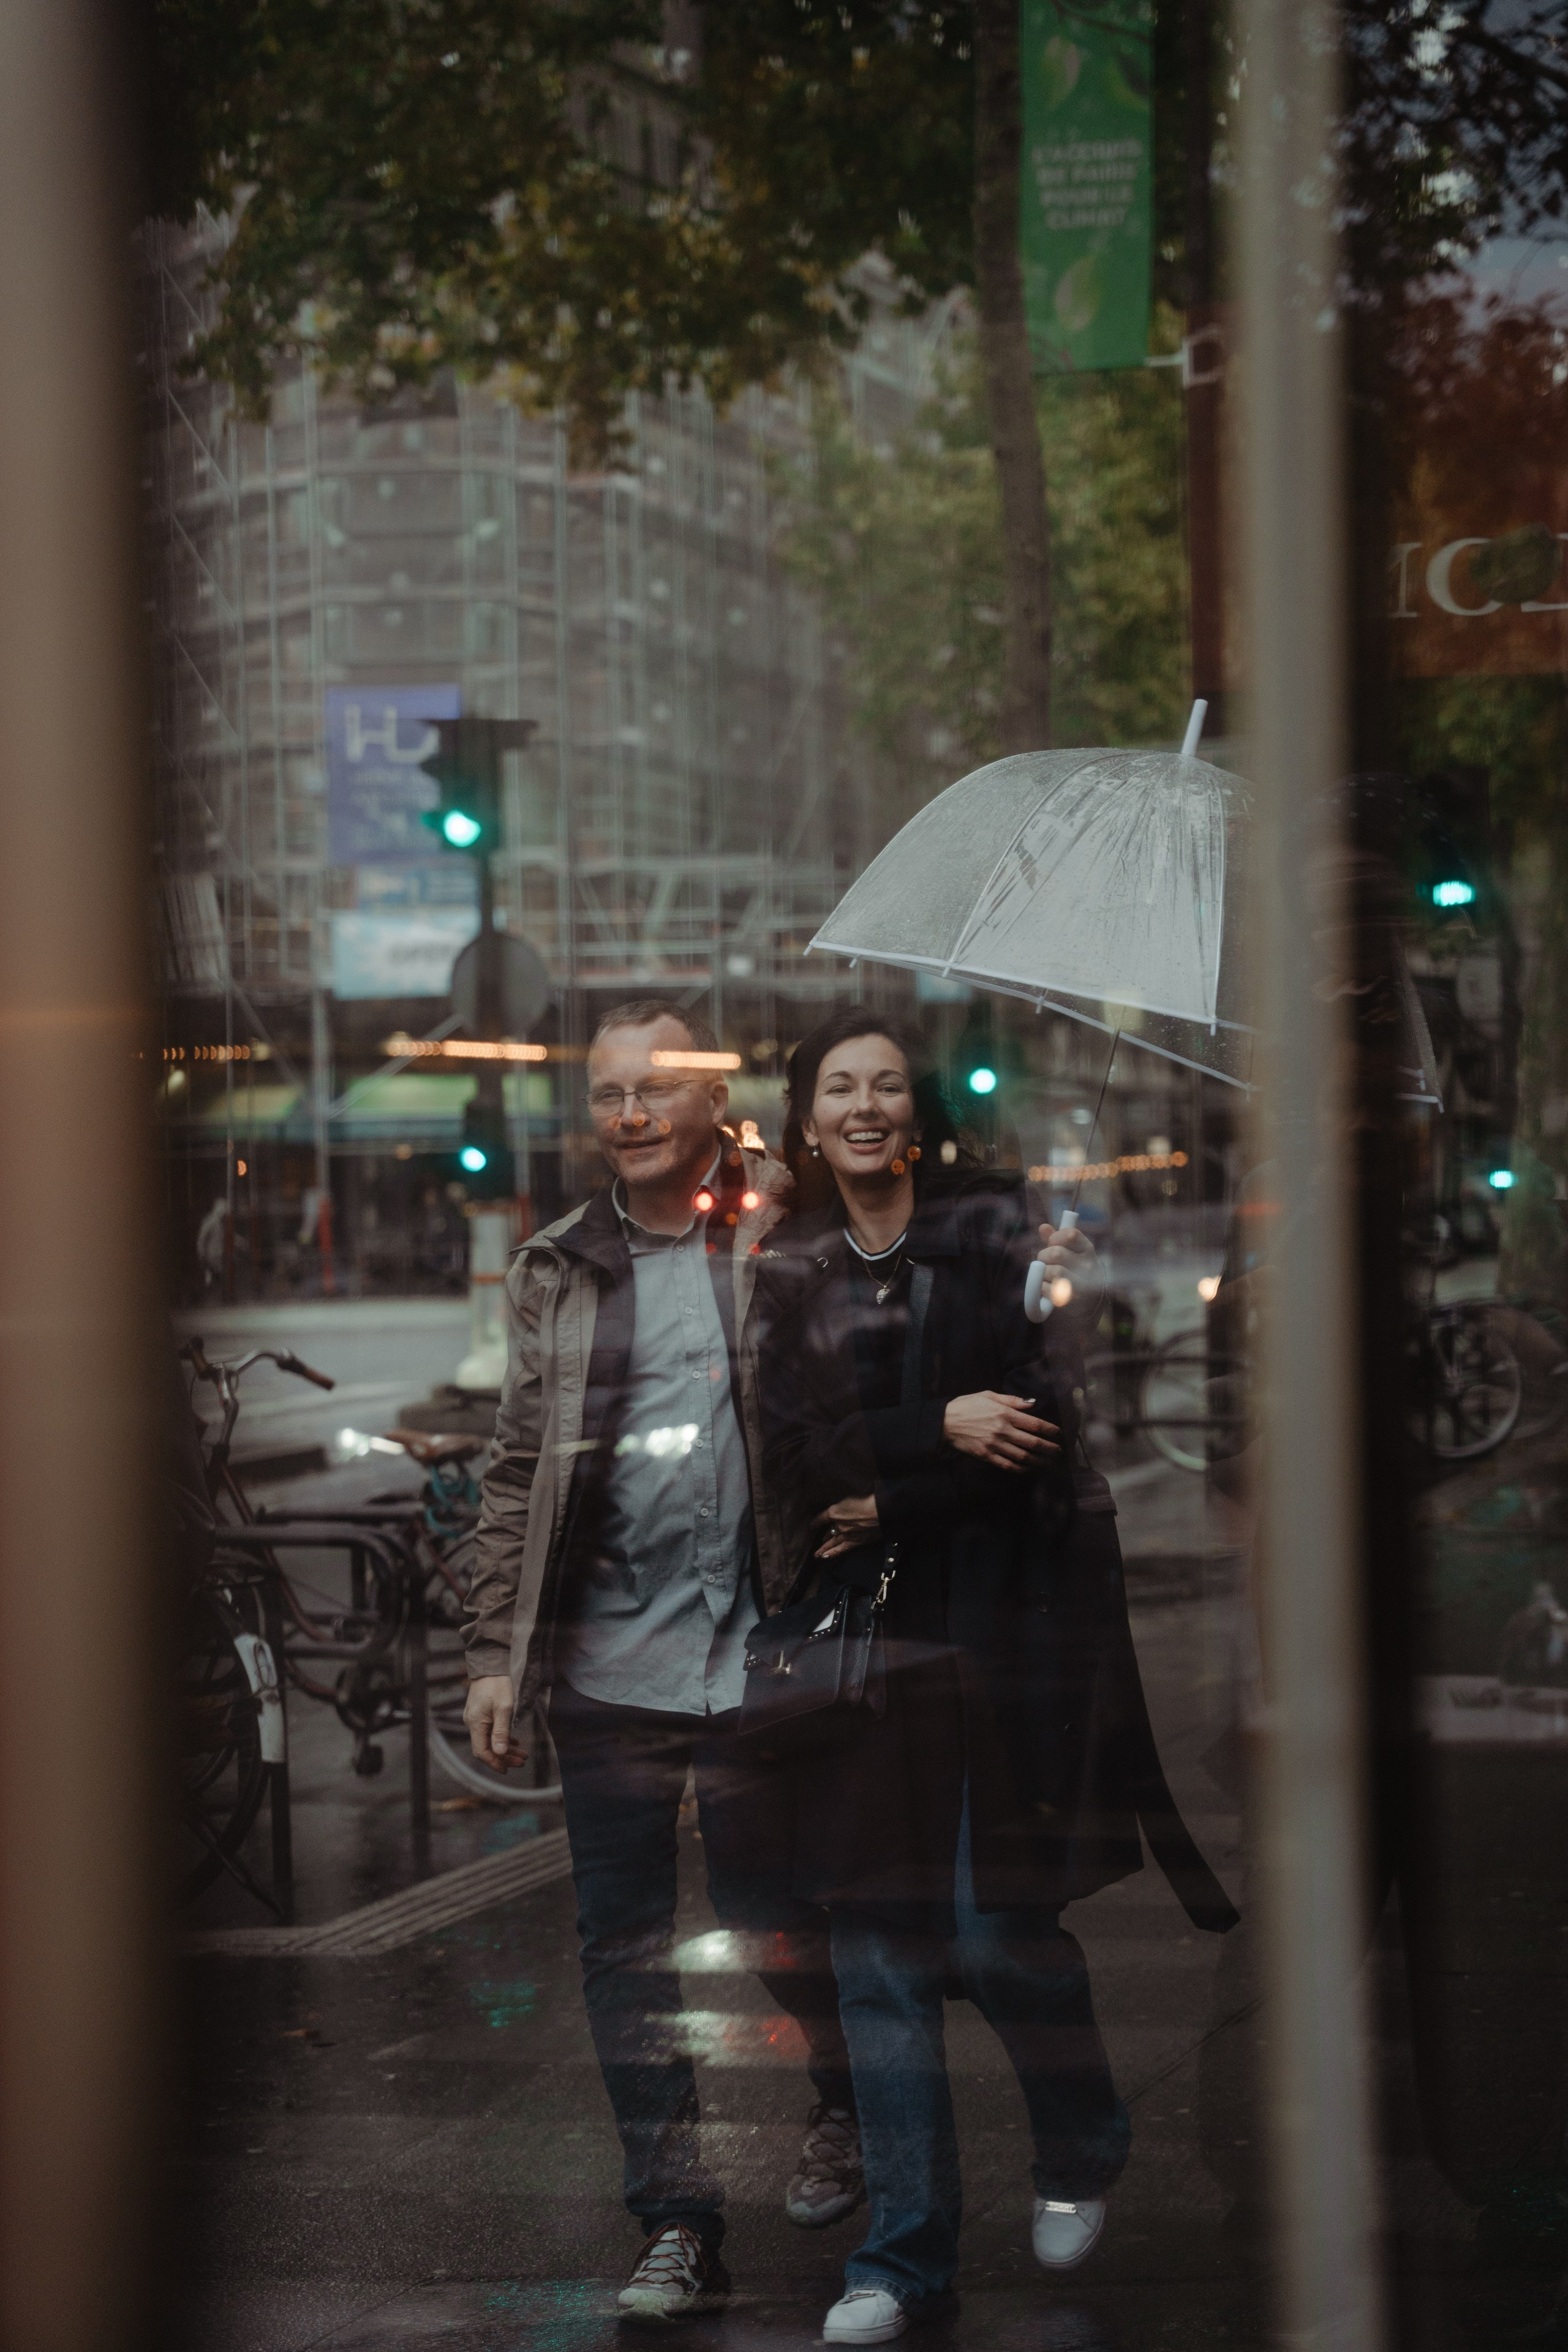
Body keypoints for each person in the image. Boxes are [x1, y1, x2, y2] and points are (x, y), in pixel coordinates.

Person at [755, 1008, 1238, 2344]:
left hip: (980, 1651)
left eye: (887, 1087)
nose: (864, 1106)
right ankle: (900, 2260)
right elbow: (791, 1456)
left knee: (985, 1933)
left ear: (915, 1115)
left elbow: (1027, 1441)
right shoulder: (788, 1265)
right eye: (838, 1088)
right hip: (850, 1661)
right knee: (875, 1961)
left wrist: (896, 1477)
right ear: (806, 1120)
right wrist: (935, 1429)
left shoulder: (989, 1233)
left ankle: (1080, 2135)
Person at [461, 1000, 862, 2324]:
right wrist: (492, 1656)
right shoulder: (556, 1268)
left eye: (653, 1090)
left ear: (710, 1103)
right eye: (604, 1093)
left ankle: (843, 2098)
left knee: (773, 1919)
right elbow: (518, 1467)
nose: (626, 1112)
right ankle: (677, 2222)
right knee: (621, 1952)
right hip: (606, 1665)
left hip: (753, 1645)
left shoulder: (772, 1236)